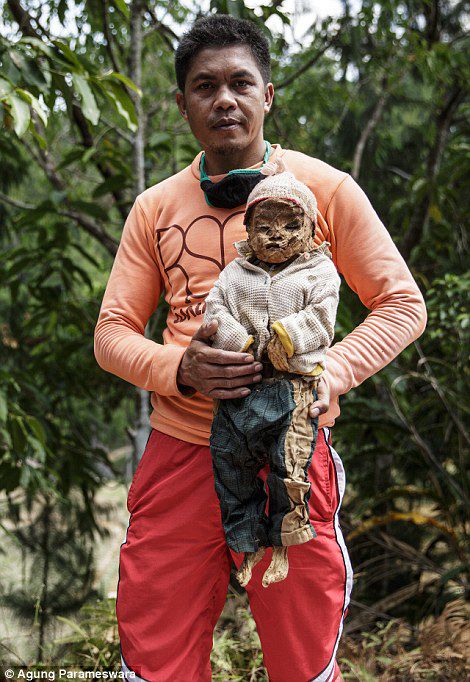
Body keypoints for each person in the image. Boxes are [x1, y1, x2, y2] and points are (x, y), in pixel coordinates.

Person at [93, 14, 427, 682]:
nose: (224, 99)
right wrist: (179, 368)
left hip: (291, 453)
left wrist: (328, 371)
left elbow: (402, 304)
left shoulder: (325, 189)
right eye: (204, 86)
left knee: (303, 656)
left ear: (268, 95)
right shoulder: (155, 207)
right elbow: (111, 334)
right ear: (183, 103)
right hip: (181, 452)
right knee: (156, 657)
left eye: (241, 82)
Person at [205, 168, 341, 588]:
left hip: (293, 388)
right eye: (263, 227)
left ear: (311, 228)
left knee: (290, 466)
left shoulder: (318, 271)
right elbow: (214, 312)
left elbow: (322, 318)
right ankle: (246, 545)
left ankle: (283, 542)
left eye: (289, 225)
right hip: (239, 389)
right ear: (247, 229)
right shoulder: (234, 273)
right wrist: (239, 341)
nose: (276, 235)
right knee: (231, 464)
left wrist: (288, 337)